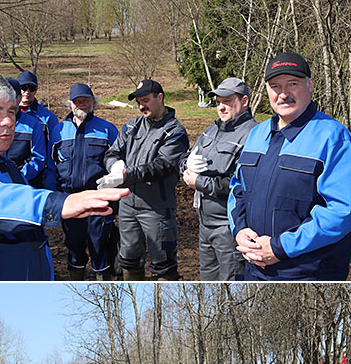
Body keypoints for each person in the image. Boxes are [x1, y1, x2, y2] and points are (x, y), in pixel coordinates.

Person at [0, 70, 127, 280]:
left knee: (99, 245)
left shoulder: (2, 163)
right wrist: (52, 202)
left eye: (11, 112)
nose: (8, 121)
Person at [228, 51, 351, 280]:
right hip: (254, 269)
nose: (283, 93)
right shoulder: (256, 135)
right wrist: (239, 230)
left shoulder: (334, 138)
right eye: (275, 86)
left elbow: (340, 212)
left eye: (292, 84)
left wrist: (280, 247)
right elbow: (237, 188)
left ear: (310, 85)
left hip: (308, 274)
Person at [101, 78, 189, 279]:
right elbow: (112, 152)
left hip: (157, 208)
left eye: (146, 100)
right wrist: (115, 166)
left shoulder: (175, 131)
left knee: (163, 265)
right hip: (127, 206)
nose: (142, 106)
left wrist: (126, 175)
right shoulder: (132, 127)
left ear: (160, 97)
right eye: (139, 102)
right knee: (128, 260)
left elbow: (162, 166)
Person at [182, 77, 256, 280]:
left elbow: (241, 185)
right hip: (204, 224)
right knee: (207, 282)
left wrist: (198, 182)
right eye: (218, 103)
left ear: (245, 101)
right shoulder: (211, 130)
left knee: (231, 282)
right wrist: (186, 166)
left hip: (229, 227)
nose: (221, 107)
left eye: (228, 101)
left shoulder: (252, 135)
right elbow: (187, 156)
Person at [52, 82, 119, 277]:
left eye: (85, 100)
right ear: (70, 104)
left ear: (93, 102)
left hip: (98, 199)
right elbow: (50, 166)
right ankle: (76, 279)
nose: (81, 104)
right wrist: (54, 198)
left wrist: (114, 202)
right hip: (69, 199)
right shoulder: (59, 131)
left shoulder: (107, 130)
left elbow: (116, 165)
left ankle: (103, 281)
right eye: (77, 101)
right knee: (74, 246)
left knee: (100, 244)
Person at [16, 70, 59, 188]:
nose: (27, 92)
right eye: (23, 87)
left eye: (32, 88)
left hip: (36, 177)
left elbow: (52, 152)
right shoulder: (6, 115)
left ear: (36, 90)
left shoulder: (48, 118)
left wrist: (50, 182)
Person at [6, 78, 47, 187]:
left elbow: (38, 158)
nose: (7, 101)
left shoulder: (33, 125)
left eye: (12, 97)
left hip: (24, 184)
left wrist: (17, 176)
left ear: (19, 98)